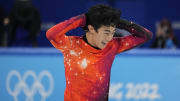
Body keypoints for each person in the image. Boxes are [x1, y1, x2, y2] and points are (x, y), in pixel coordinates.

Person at [46, 4, 152, 101]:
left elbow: (146, 36)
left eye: (112, 32)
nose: (109, 37)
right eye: (106, 32)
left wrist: (119, 23)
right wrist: (82, 19)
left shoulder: (112, 46)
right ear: (91, 28)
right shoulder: (71, 45)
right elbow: (51, 34)